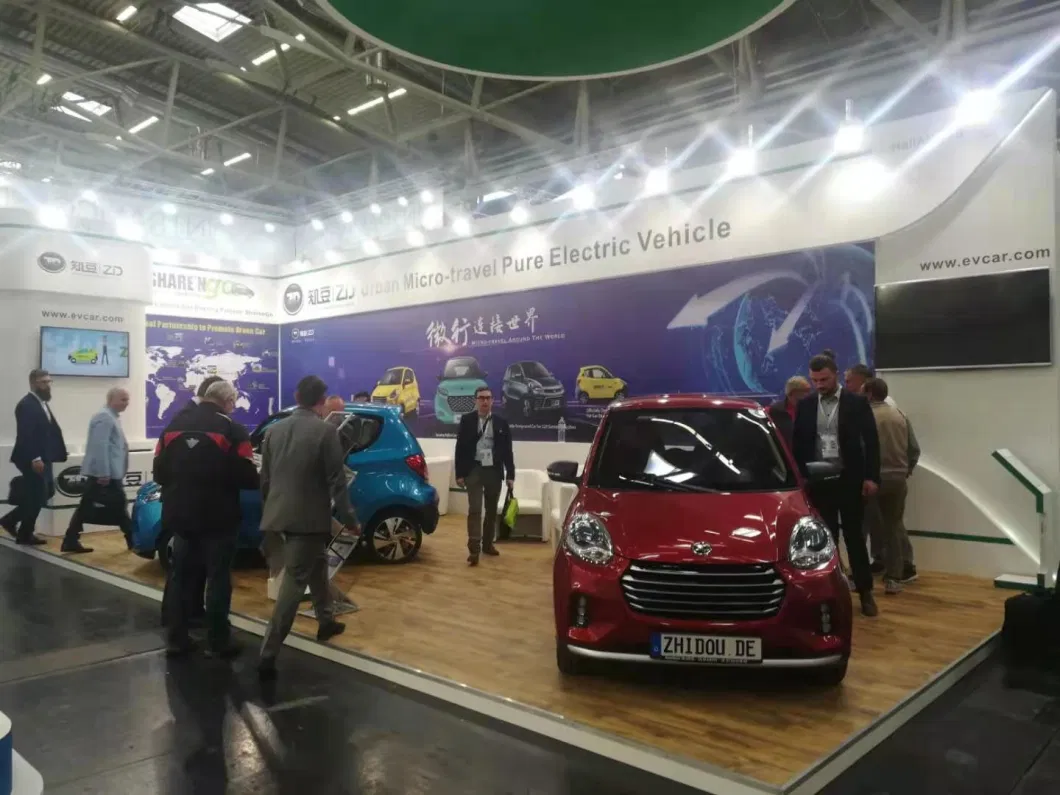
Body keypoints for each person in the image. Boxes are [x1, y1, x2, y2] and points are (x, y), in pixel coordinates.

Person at [258, 375, 359, 679]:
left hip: (278, 516)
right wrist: (350, 520)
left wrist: (272, 510)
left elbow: (265, 479)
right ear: (322, 401)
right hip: (308, 520)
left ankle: (326, 622)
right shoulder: (325, 432)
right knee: (293, 584)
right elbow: (337, 481)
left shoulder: (273, 431)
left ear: (297, 396)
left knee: (317, 566)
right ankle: (268, 652)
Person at [155, 380, 259, 658]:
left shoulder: (173, 425)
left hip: (180, 515)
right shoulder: (233, 430)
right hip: (218, 516)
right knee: (218, 578)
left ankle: (176, 639)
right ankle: (218, 640)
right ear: (228, 402)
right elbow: (248, 478)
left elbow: (159, 473)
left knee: (180, 577)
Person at [792, 355, 881, 617]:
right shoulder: (806, 405)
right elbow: (798, 444)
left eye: (825, 379)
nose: (820, 385)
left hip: (850, 479)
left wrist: (871, 477)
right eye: (815, 380)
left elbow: (872, 442)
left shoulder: (856, 403)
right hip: (819, 482)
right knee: (825, 541)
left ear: (836, 374)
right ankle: (830, 594)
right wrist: (800, 478)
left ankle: (865, 592)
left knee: (855, 538)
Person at [159, 374, 224, 626]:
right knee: (183, 569)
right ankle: (177, 619)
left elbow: (161, 466)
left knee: (187, 567)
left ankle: (187, 614)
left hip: (182, 503)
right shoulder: (190, 419)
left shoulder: (183, 417)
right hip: (193, 505)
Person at [864, 378, 920, 591]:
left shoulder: (865, 416)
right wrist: (906, 469)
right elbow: (914, 449)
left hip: (872, 480)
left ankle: (862, 574)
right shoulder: (900, 415)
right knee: (893, 526)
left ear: (869, 394)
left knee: (867, 526)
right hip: (897, 479)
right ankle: (894, 577)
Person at [62, 388, 132, 554]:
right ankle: (133, 539)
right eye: (123, 399)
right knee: (119, 505)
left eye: (127, 399)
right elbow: (100, 446)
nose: (126, 403)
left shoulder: (111, 417)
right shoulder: (104, 417)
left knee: (88, 506)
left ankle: (70, 539)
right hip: (105, 475)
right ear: (111, 399)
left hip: (108, 473)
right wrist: (103, 473)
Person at [2, 369, 67, 546]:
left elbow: (47, 431)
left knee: (45, 492)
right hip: (30, 458)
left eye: (49, 382)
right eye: (43, 382)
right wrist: (35, 458)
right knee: (38, 496)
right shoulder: (27, 405)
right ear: (33, 383)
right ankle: (23, 533)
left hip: (44, 457)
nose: (47, 385)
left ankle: (11, 521)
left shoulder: (41, 403)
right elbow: (26, 434)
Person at [455, 386, 514, 566]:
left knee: (491, 510)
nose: (485, 401)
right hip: (473, 469)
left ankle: (488, 544)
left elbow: (508, 451)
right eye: (481, 398)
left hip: (494, 471)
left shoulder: (501, 422)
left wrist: (510, 474)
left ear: (493, 401)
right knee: (475, 509)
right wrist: (459, 474)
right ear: (476, 401)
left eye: (488, 398)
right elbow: (460, 448)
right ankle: (474, 549)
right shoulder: (467, 420)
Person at [768, 376, 811, 448]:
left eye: (808, 391)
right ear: (791, 393)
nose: (807, 394)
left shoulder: (811, 408)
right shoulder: (774, 410)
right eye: (804, 391)